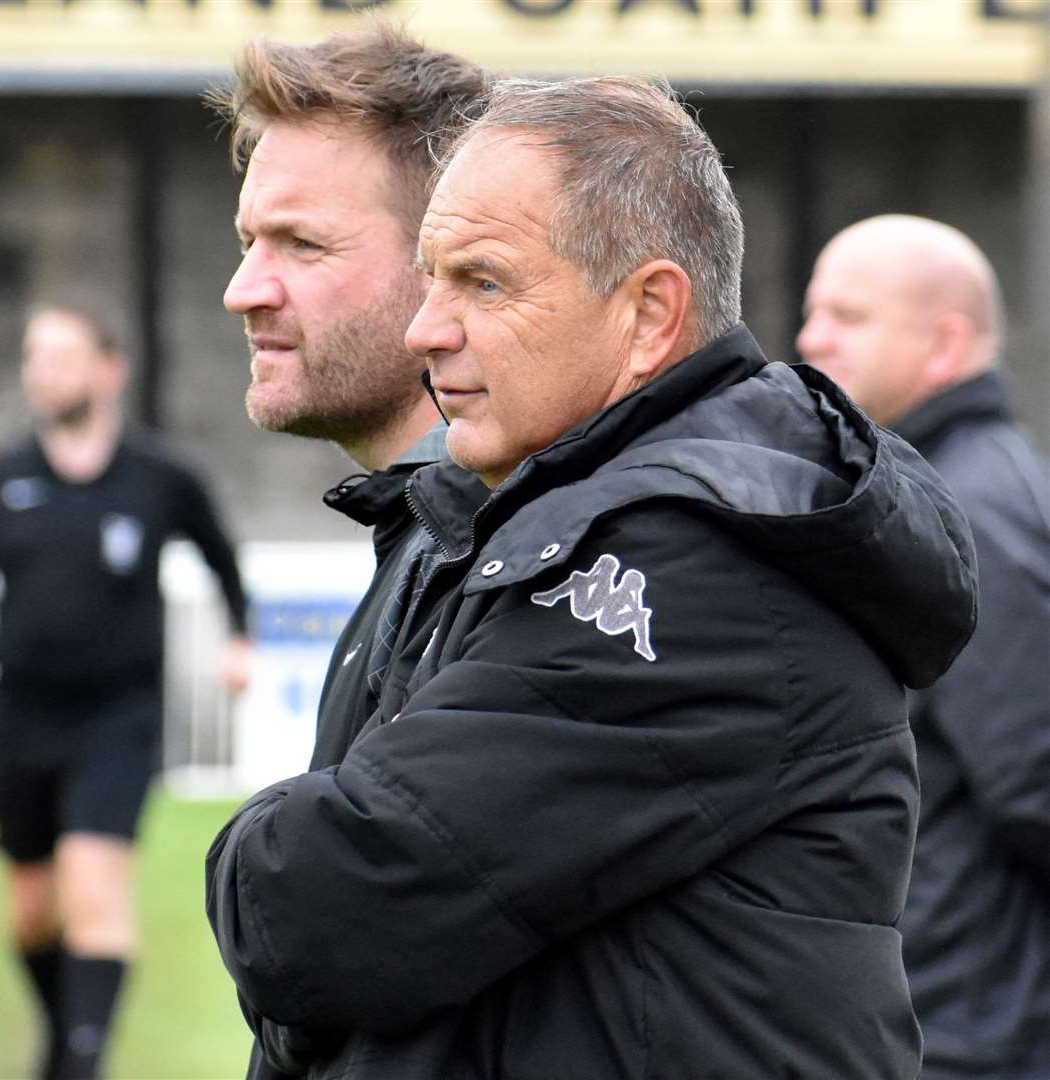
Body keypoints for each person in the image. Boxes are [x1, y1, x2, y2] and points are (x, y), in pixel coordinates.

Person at [206, 78, 978, 1078]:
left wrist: (260, 839)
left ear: (650, 313)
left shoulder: (700, 557)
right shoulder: (538, 511)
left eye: (481, 282)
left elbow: (317, 914)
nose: (425, 330)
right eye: (430, 277)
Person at [0, 303, 252, 1080]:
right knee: (31, 914)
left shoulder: (161, 478)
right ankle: (66, 1037)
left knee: (95, 892)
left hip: (118, 717)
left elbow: (222, 557)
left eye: (62, 356)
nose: (44, 373)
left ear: (108, 368)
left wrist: (237, 635)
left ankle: (78, 1065)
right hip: (18, 717)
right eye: (35, 357)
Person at [798, 215, 1050, 1080]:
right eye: (812, 311)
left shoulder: (964, 513)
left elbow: (1032, 781)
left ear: (944, 344)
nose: (809, 338)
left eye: (848, 316)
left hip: (963, 1026)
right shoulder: (931, 489)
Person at [206, 25, 492, 775]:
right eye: (248, 242)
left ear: (444, 265)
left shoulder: (511, 555)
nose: (243, 292)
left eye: (301, 244)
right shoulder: (434, 526)